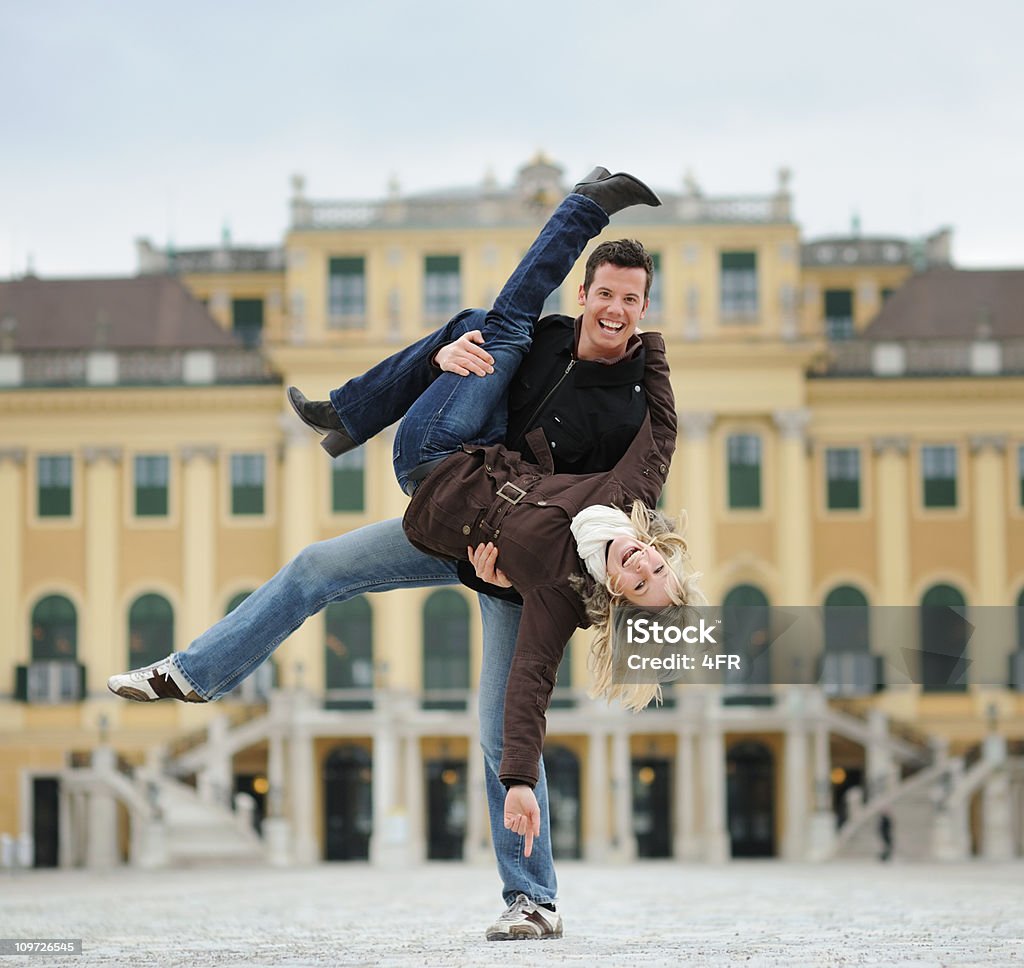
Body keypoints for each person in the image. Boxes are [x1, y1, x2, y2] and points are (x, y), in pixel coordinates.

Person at [108, 169, 692, 941]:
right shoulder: (544, 338)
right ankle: (193, 673)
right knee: (474, 338)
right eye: (607, 294)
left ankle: (532, 899)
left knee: (501, 734)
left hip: (518, 570)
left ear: (643, 310)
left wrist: (523, 561)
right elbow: (524, 312)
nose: (617, 310)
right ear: (585, 295)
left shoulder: (627, 425)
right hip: (455, 501)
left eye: (632, 300)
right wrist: (446, 360)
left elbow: (634, 495)